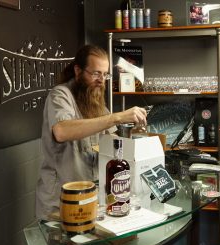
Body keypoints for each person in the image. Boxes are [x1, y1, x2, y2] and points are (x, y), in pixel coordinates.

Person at [35, 44, 147, 220]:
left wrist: (138, 143)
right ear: (78, 70)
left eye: (105, 74)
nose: (101, 80)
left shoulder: (95, 103)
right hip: (60, 203)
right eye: (95, 73)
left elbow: (112, 140)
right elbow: (62, 131)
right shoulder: (60, 95)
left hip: (90, 199)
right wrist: (117, 117)